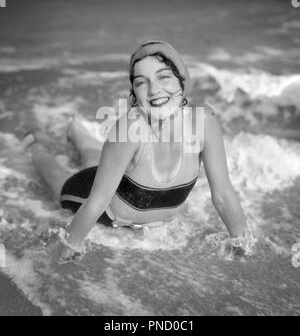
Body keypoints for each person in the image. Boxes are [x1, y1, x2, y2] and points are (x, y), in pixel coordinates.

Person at [23, 40, 247, 263]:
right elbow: (97, 201)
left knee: (96, 159)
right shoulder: (130, 128)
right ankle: (33, 144)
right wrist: (68, 247)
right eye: (141, 82)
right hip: (102, 205)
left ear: (182, 80)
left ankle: (75, 129)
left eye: (164, 77)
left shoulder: (204, 121)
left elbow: (223, 194)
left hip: (119, 172)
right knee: (56, 178)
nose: (154, 90)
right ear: (134, 93)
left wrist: (242, 243)